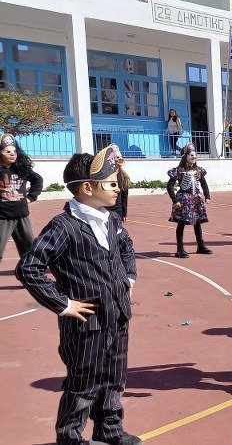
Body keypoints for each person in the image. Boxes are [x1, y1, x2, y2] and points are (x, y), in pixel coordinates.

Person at [16, 146, 140, 445]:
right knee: (84, 382)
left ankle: (109, 429)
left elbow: (126, 246)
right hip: (86, 322)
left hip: (117, 315)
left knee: (114, 378)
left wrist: (128, 276)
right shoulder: (64, 226)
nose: (117, 189)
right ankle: (70, 437)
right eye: (111, 183)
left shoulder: (110, 219)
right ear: (88, 187)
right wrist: (63, 304)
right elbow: (29, 267)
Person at [0, 134, 43, 264]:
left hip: (22, 216)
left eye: (14, 151)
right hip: (2, 217)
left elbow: (37, 180)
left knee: (29, 250)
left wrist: (31, 197)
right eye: (7, 151)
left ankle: (30, 274)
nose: (12, 154)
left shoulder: (21, 168)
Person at [167, 144, 212, 258]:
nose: (194, 157)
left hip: (196, 199)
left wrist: (207, 196)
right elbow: (170, 185)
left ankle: (200, 246)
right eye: (191, 155)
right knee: (181, 223)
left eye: (195, 155)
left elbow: (204, 184)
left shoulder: (199, 170)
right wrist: (175, 200)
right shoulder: (179, 170)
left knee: (197, 223)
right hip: (184, 200)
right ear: (185, 156)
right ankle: (180, 249)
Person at [105, 144, 130, 223]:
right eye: (118, 157)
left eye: (121, 157)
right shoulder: (106, 174)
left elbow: (124, 196)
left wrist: (124, 213)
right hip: (106, 208)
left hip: (118, 208)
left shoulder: (124, 176)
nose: (120, 159)